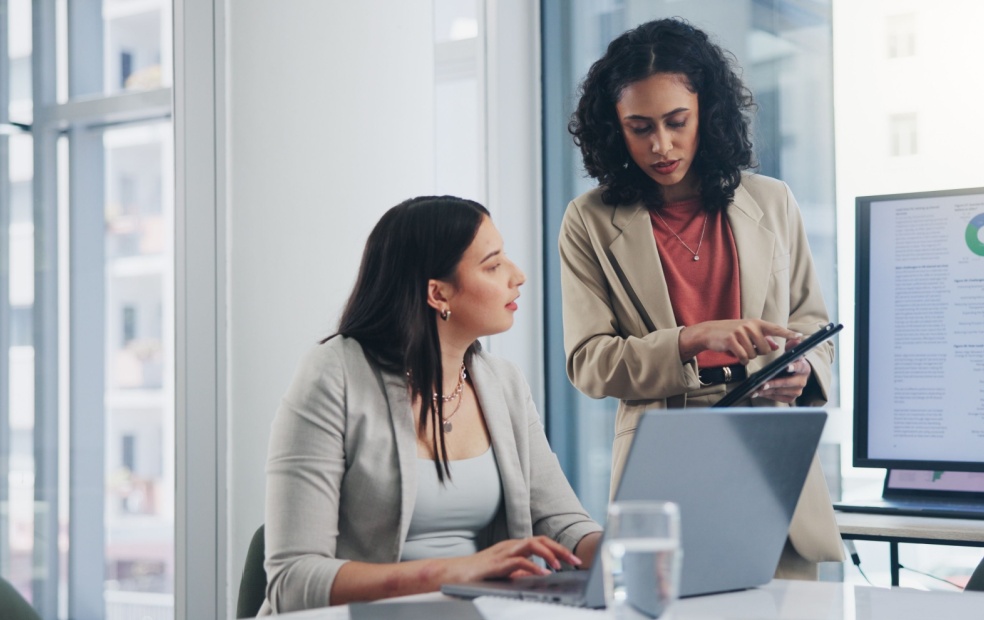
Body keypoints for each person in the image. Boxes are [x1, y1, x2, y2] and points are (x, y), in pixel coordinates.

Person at [559, 18, 843, 579]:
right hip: (664, 454)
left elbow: (814, 327)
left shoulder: (773, 201)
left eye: (676, 122)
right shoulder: (588, 221)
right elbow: (588, 363)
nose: (660, 145)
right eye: (639, 128)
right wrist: (692, 339)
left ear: (705, 114)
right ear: (615, 130)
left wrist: (803, 370)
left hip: (767, 447)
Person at [260, 196, 602, 614]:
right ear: (438, 293)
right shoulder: (334, 375)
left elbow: (564, 525)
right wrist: (455, 572)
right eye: (493, 265)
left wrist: (628, 547)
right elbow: (292, 580)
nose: (518, 276)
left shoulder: (503, 383)